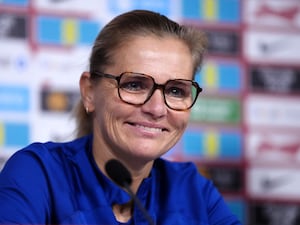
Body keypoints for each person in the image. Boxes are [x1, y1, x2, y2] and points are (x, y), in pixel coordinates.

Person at [0, 10, 241, 225]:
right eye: (134, 85)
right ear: (89, 92)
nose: (157, 109)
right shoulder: (38, 173)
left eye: (176, 90)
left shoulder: (193, 190)